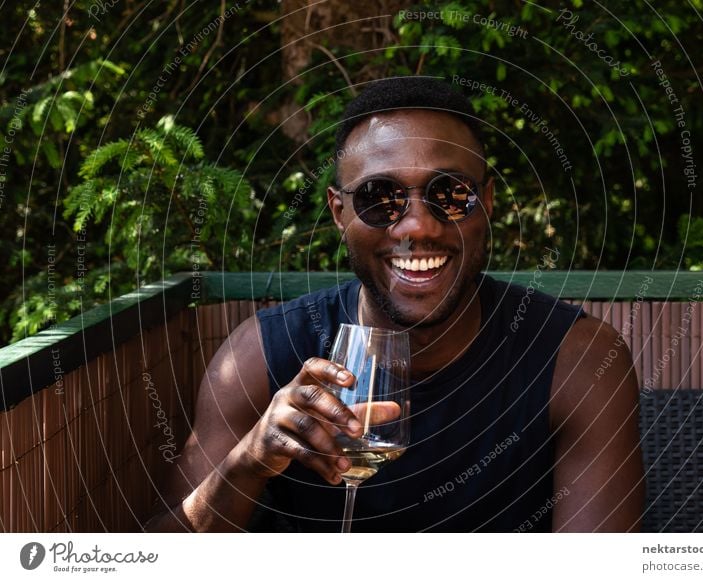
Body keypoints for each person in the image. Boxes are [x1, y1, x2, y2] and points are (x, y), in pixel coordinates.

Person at [146, 76, 644, 532]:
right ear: (339, 213)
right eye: (380, 198)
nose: (417, 226)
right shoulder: (260, 357)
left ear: (487, 202)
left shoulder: (576, 361)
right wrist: (249, 463)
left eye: (450, 194)